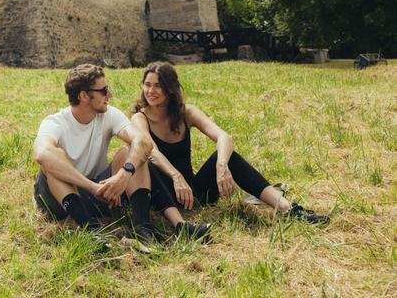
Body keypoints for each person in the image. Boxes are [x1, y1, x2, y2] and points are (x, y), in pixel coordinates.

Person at [131, 61, 329, 225]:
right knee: (147, 162)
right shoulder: (140, 119)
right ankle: (180, 225)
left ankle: (287, 209)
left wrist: (221, 165)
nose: (151, 90)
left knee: (227, 155)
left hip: (193, 194)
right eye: (147, 84)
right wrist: (175, 176)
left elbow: (224, 137)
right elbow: (152, 152)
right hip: (162, 197)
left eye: (158, 85)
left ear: (170, 89)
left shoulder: (186, 112)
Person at [33, 63, 209, 244]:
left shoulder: (108, 114)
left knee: (130, 151)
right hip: (57, 201)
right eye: (104, 90)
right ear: (84, 96)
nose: (110, 95)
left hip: (99, 193)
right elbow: (42, 154)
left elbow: (144, 142)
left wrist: (125, 174)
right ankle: (91, 230)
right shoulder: (55, 122)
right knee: (54, 158)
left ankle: (142, 228)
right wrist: (91, 187)